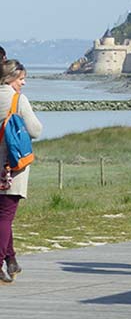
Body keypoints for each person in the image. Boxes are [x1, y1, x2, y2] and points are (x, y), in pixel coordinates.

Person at [0, 60, 43, 284]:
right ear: (9, 78)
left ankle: (11, 259)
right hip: (11, 167)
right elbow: (36, 130)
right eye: (20, 79)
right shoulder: (18, 100)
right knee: (5, 217)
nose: (23, 82)